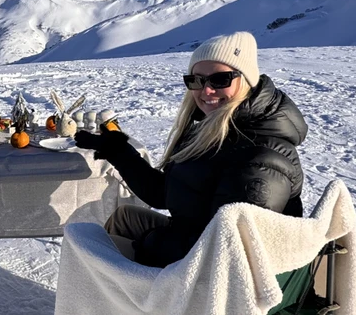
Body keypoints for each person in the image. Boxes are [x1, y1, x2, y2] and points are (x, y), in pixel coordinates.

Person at [75, 31, 307, 267]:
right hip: (196, 238)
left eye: (220, 80)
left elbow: (226, 254)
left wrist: (148, 242)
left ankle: (115, 298)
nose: (206, 91)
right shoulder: (216, 130)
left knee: (87, 250)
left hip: (211, 278)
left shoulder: (260, 159)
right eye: (197, 80)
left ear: (247, 80)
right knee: (124, 218)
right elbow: (165, 192)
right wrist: (119, 152)